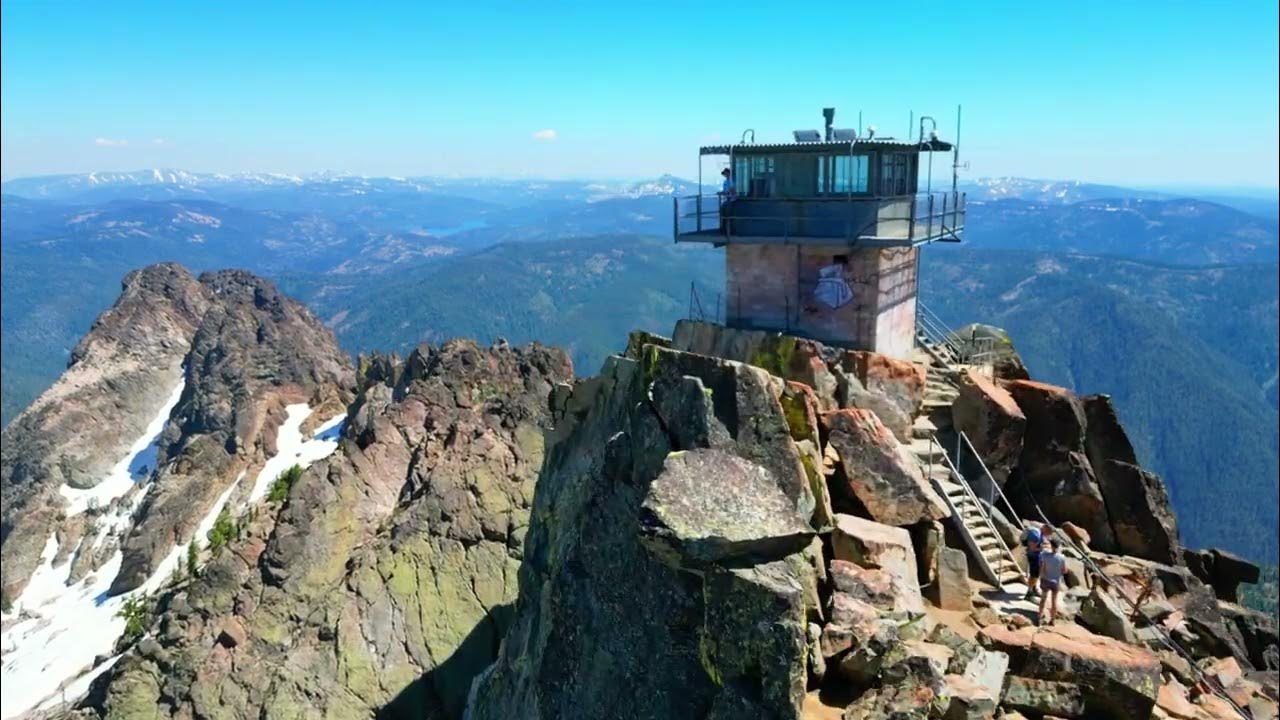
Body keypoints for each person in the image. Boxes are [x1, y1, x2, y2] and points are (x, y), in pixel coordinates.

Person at [1021, 523, 1055, 600]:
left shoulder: (1041, 534)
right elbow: (1032, 548)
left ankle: (1034, 588)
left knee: (1037, 574)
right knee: (1033, 575)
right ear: (1046, 529)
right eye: (1049, 533)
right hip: (1033, 556)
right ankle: (1029, 593)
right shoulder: (1035, 534)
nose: (1049, 535)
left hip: (1037, 556)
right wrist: (1043, 549)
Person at [1037, 538, 1066, 625]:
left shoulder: (1044, 555)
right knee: (1054, 601)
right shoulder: (1062, 557)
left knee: (1043, 599)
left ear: (1051, 546)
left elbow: (1041, 568)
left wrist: (1041, 577)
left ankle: (1039, 617)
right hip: (1056, 582)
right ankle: (1052, 620)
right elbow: (1064, 570)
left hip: (1045, 580)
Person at [718, 168, 736, 236]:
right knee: (723, 212)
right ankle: (724, 229)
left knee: (728, 215)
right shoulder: (725, 182)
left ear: (728, 173)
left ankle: (729, 230)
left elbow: (733, 190)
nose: (725, 175)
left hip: (731, 200)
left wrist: (728, 193)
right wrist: (722, 192)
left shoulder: (731, 181)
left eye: (725, 173)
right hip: (727, 200)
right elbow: (726, 191)